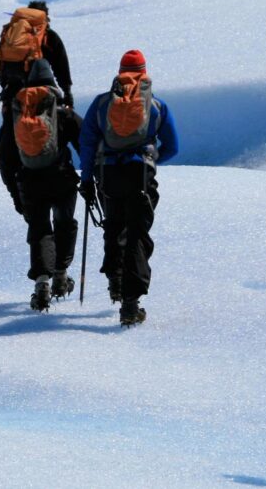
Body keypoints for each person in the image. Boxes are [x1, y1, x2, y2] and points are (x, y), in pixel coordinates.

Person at [78, 50, 178, 326]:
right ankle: (131, 305)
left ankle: (115, 281)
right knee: (137, 234)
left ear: (120, 71)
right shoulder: (156, 106)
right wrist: (152, 158)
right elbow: (173, 147)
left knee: (114, 226)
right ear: (144, 72)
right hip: (140, 176)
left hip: (108, 176)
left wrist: (87, 179)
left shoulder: (101, 104)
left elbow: (87, 143)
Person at [10, 59, 82, 311]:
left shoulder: (17, 113)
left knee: (40, 229)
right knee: (65, 224)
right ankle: (61, 276)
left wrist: (15, 192)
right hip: (62, 178)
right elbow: (87, 144)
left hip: (30, 182)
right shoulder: (63, 113)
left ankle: (42, 284)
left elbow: (6, 159)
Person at [0, 0, 74, 216]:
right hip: (45, 95)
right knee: (50, 127)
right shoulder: (47, 35)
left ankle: (0, 163)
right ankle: (48, 161)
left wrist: (8, 83)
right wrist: (67, 93)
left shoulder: (11, 35)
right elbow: (61, 65)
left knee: (10, 130)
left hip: (13, 95)